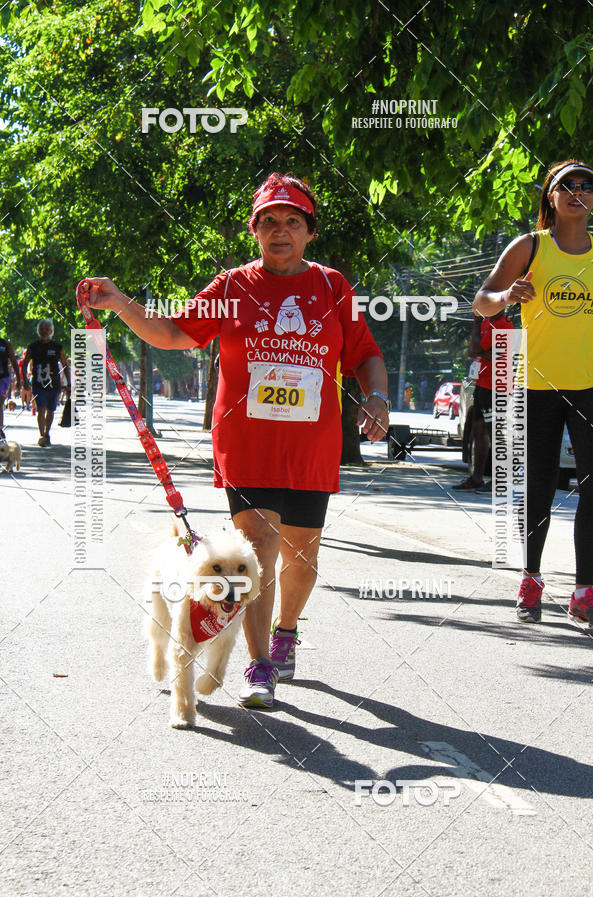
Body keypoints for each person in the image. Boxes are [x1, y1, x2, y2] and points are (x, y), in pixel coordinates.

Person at [79, 172, 389, 707]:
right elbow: (174, 333)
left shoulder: (334, 288)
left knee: (302, 558)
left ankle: (286, 631)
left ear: (309, 232)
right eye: (268, 221)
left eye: (292, 221)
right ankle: (260, 664)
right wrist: (121, 303)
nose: (280, 231)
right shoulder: (233, 288)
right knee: (259, 552)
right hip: (246, 445)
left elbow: (364, 353)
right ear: (255, 231)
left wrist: (377, 397)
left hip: (310, 449)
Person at [474, 158, 593, 632]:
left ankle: (585, 591)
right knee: (539, 488)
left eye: (588, 186)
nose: (578, 192)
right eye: (567, 185)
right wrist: (507, 297)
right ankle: (531, 579)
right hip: (537, 386)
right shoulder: (530, 247)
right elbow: (480, 301)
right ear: (551, 196)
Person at [453, 309, 513, 493]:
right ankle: (477, 477)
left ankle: (500, 480)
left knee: (496, 432)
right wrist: (480, 345)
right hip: (483, 383)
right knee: (478, 431)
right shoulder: (487, 322)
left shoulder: (504, 325)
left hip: (498, 386)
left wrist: (476, 323)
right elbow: (472, 351)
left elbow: (477, 349)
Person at [22, 320, 71, 446]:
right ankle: (42, 434)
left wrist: (69, 383)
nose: (44, 331)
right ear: (39, 331)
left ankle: (47, 432)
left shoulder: (57, 347)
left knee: (50, 410)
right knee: (41, 409)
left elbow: (65, 365)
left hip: (54, 385)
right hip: (39, 384)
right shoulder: (33, 347)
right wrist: (25, 381)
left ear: (51, 331)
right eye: (42, 329)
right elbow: (25, 364)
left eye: (46, 329)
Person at [0, 334, 21, 441]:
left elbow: (13, 361)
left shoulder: (5, 344)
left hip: (2, 378)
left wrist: (18, 379)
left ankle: (0, 429)